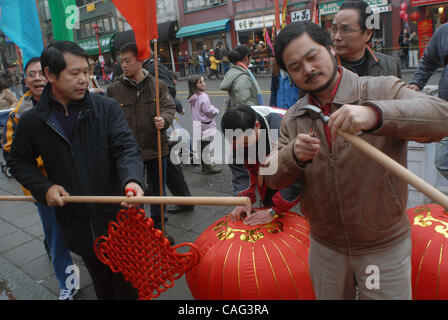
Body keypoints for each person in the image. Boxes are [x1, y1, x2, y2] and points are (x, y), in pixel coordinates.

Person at [266, 21, 448, 300]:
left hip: (381, 249)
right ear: (289, 74)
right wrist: (292, 156)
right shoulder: (293, 119)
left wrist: (376, 115)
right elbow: (270, 177)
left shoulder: (381, 90)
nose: (308, 69)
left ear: (329, 48)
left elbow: (441, 117)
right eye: (295, 66)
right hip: (325, 249)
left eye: (312, 56)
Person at [7, 41, 145, 300]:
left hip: (118, 217)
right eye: (75, 73)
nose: (84, 79)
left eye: (87, 71)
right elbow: (19, 162)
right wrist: (44, 187)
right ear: (50, 75)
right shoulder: (33, 121)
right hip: (78, 223)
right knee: (101, 285)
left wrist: (133, 180)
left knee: (129, 287)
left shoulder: (106, 109)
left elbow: (126, 149)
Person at [2, 57, 76, 300]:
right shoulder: (19, 114)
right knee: (57, 239)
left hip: (75, 182)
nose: (36, 79)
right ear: (26, 80)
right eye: (31, 75)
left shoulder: (66, 103)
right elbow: (14, 155)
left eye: (40, 74)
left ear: (50, 76)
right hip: (44, 190)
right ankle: (68, 283)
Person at [107, 42, 176, 238]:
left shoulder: (158, 85)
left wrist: (165, 119)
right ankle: (137, 229)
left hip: (156, 147)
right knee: (133, 193)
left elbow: (169, 107)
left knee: (158, 192)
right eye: (121, 61)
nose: (123, 65)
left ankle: (159, 228)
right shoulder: (114, 90)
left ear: (141, 61)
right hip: (129, 153)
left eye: (127, 61)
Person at [221, 105, 300, 226]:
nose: (240, 147)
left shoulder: (283, 132)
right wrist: (244, 200)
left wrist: (274, 211)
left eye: (245, 143)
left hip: (303, 165)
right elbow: (242, 171)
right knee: (268, 199)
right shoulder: (239, 131)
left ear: (257, 126)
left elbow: (297, 176)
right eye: (235, 144)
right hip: (268, 164)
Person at [408, 23, 448, 180]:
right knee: (443, 162)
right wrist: (416, 83)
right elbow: (429, 61)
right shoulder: (443, 31)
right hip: (446, 109)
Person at [331, 0, 401, 78]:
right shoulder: (325, 67)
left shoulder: (390, 66)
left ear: (367, 34)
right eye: (334, 29)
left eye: (345, 30)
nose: (337, 37)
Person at [188, 75, 221, 174]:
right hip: (205, 125)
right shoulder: (203, 96)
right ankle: (208, 166)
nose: (203, 83)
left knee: (202, 145)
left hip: (198, 124)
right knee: (206, 146)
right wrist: (216, 110)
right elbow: (208, 110)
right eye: (200, 82)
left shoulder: (193, 97)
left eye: (203, 81)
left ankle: (205, 165)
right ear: (195, 85)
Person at [219, 45, 264, 109]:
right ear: (246, 58)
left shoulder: (234, 72)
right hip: (247, 116)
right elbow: (244, 103)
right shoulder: (242, 77)